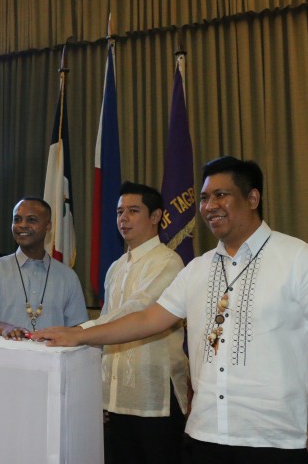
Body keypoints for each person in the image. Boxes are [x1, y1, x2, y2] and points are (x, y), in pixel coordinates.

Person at [36, 156, 308, 464]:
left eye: (221, 195)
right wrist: (79, 334)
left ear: (253, 197)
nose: (209, 205)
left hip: (277, 438)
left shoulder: (298, 259)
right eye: (203, 197)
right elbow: (149, 318)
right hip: (206, 435)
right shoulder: (197, 269)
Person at [84, 181, 189, 464]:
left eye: (133, 211)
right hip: (117, 398)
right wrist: (103, 393)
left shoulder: (168, 261)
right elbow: (108, 324)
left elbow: (136, 310)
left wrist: (79, 332)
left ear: (155, 217)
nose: (123, 219)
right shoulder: (116, 267)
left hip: (155, 395)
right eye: (119, 212)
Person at [0, 197, 89, 340]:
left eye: (31, 220)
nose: (22, 225)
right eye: (17, 219)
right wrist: (5, 329)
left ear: (48, 226)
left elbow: (79, 329)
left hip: (50, 360)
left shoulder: (68, 276)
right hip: (2, 359)